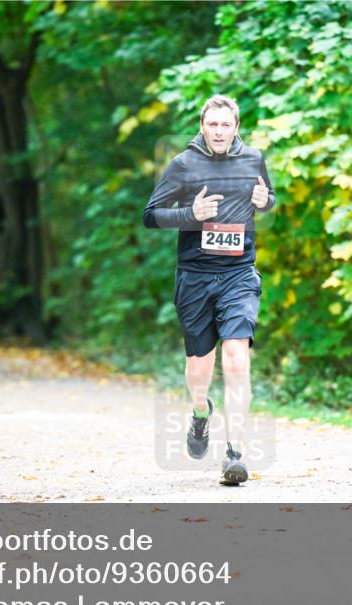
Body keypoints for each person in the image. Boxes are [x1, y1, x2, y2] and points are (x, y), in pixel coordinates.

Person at [143, 94, 275, 486]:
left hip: (238, 274)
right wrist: (190, 215)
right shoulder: (184, 164)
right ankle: (201, 412)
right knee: (200, 367)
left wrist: (265, 200)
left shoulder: (253, 159)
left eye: (226, 124)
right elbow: (150, 215)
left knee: (236, 357)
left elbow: (267, 198)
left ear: (236, 127)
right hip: (195, 277)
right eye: (212, 124)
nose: (219, 131)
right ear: (202, 126)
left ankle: (234, 453)